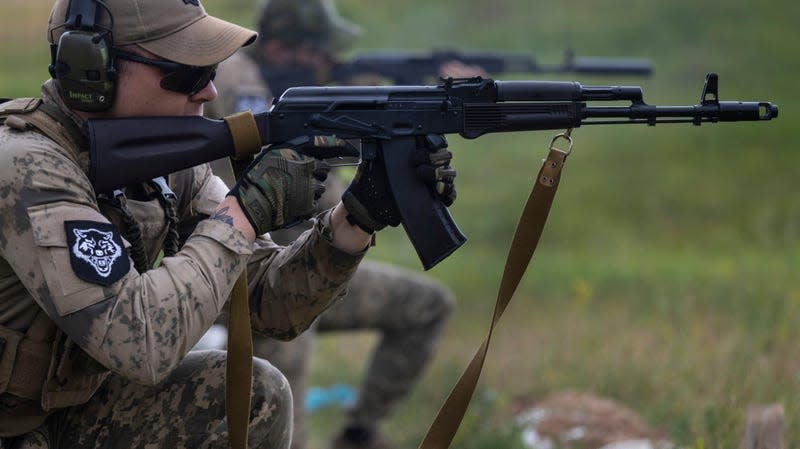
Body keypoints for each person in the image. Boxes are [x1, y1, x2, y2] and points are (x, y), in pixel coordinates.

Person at [0, 0, 457, 448]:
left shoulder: (167, 164)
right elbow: (139, 342)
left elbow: (269, 300)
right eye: (188, 74)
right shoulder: (25, 167)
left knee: (254, 394)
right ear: (92, 72)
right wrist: (242, 214)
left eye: (211, 71)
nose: (208, 93)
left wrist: (355, 219)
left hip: (62, 414)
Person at [203, 1, 460, 449]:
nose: (328, 62)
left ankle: (359, 435)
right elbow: (276, 189)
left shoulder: (296, 85)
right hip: (241, 276)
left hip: (307, 267)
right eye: (319, 51)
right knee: (284, 352)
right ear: (281, 50)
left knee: (425, 305)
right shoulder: (234, 86)